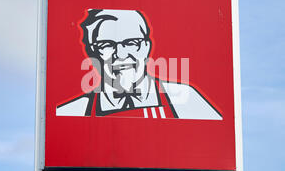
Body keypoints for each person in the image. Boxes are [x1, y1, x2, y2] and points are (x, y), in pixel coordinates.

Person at [56, 9, 222, 120]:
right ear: (93, 52)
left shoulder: (185, 100)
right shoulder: (73, 112)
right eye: (107, 45)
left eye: (131, 43)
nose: (120, 54)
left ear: (146, 47)